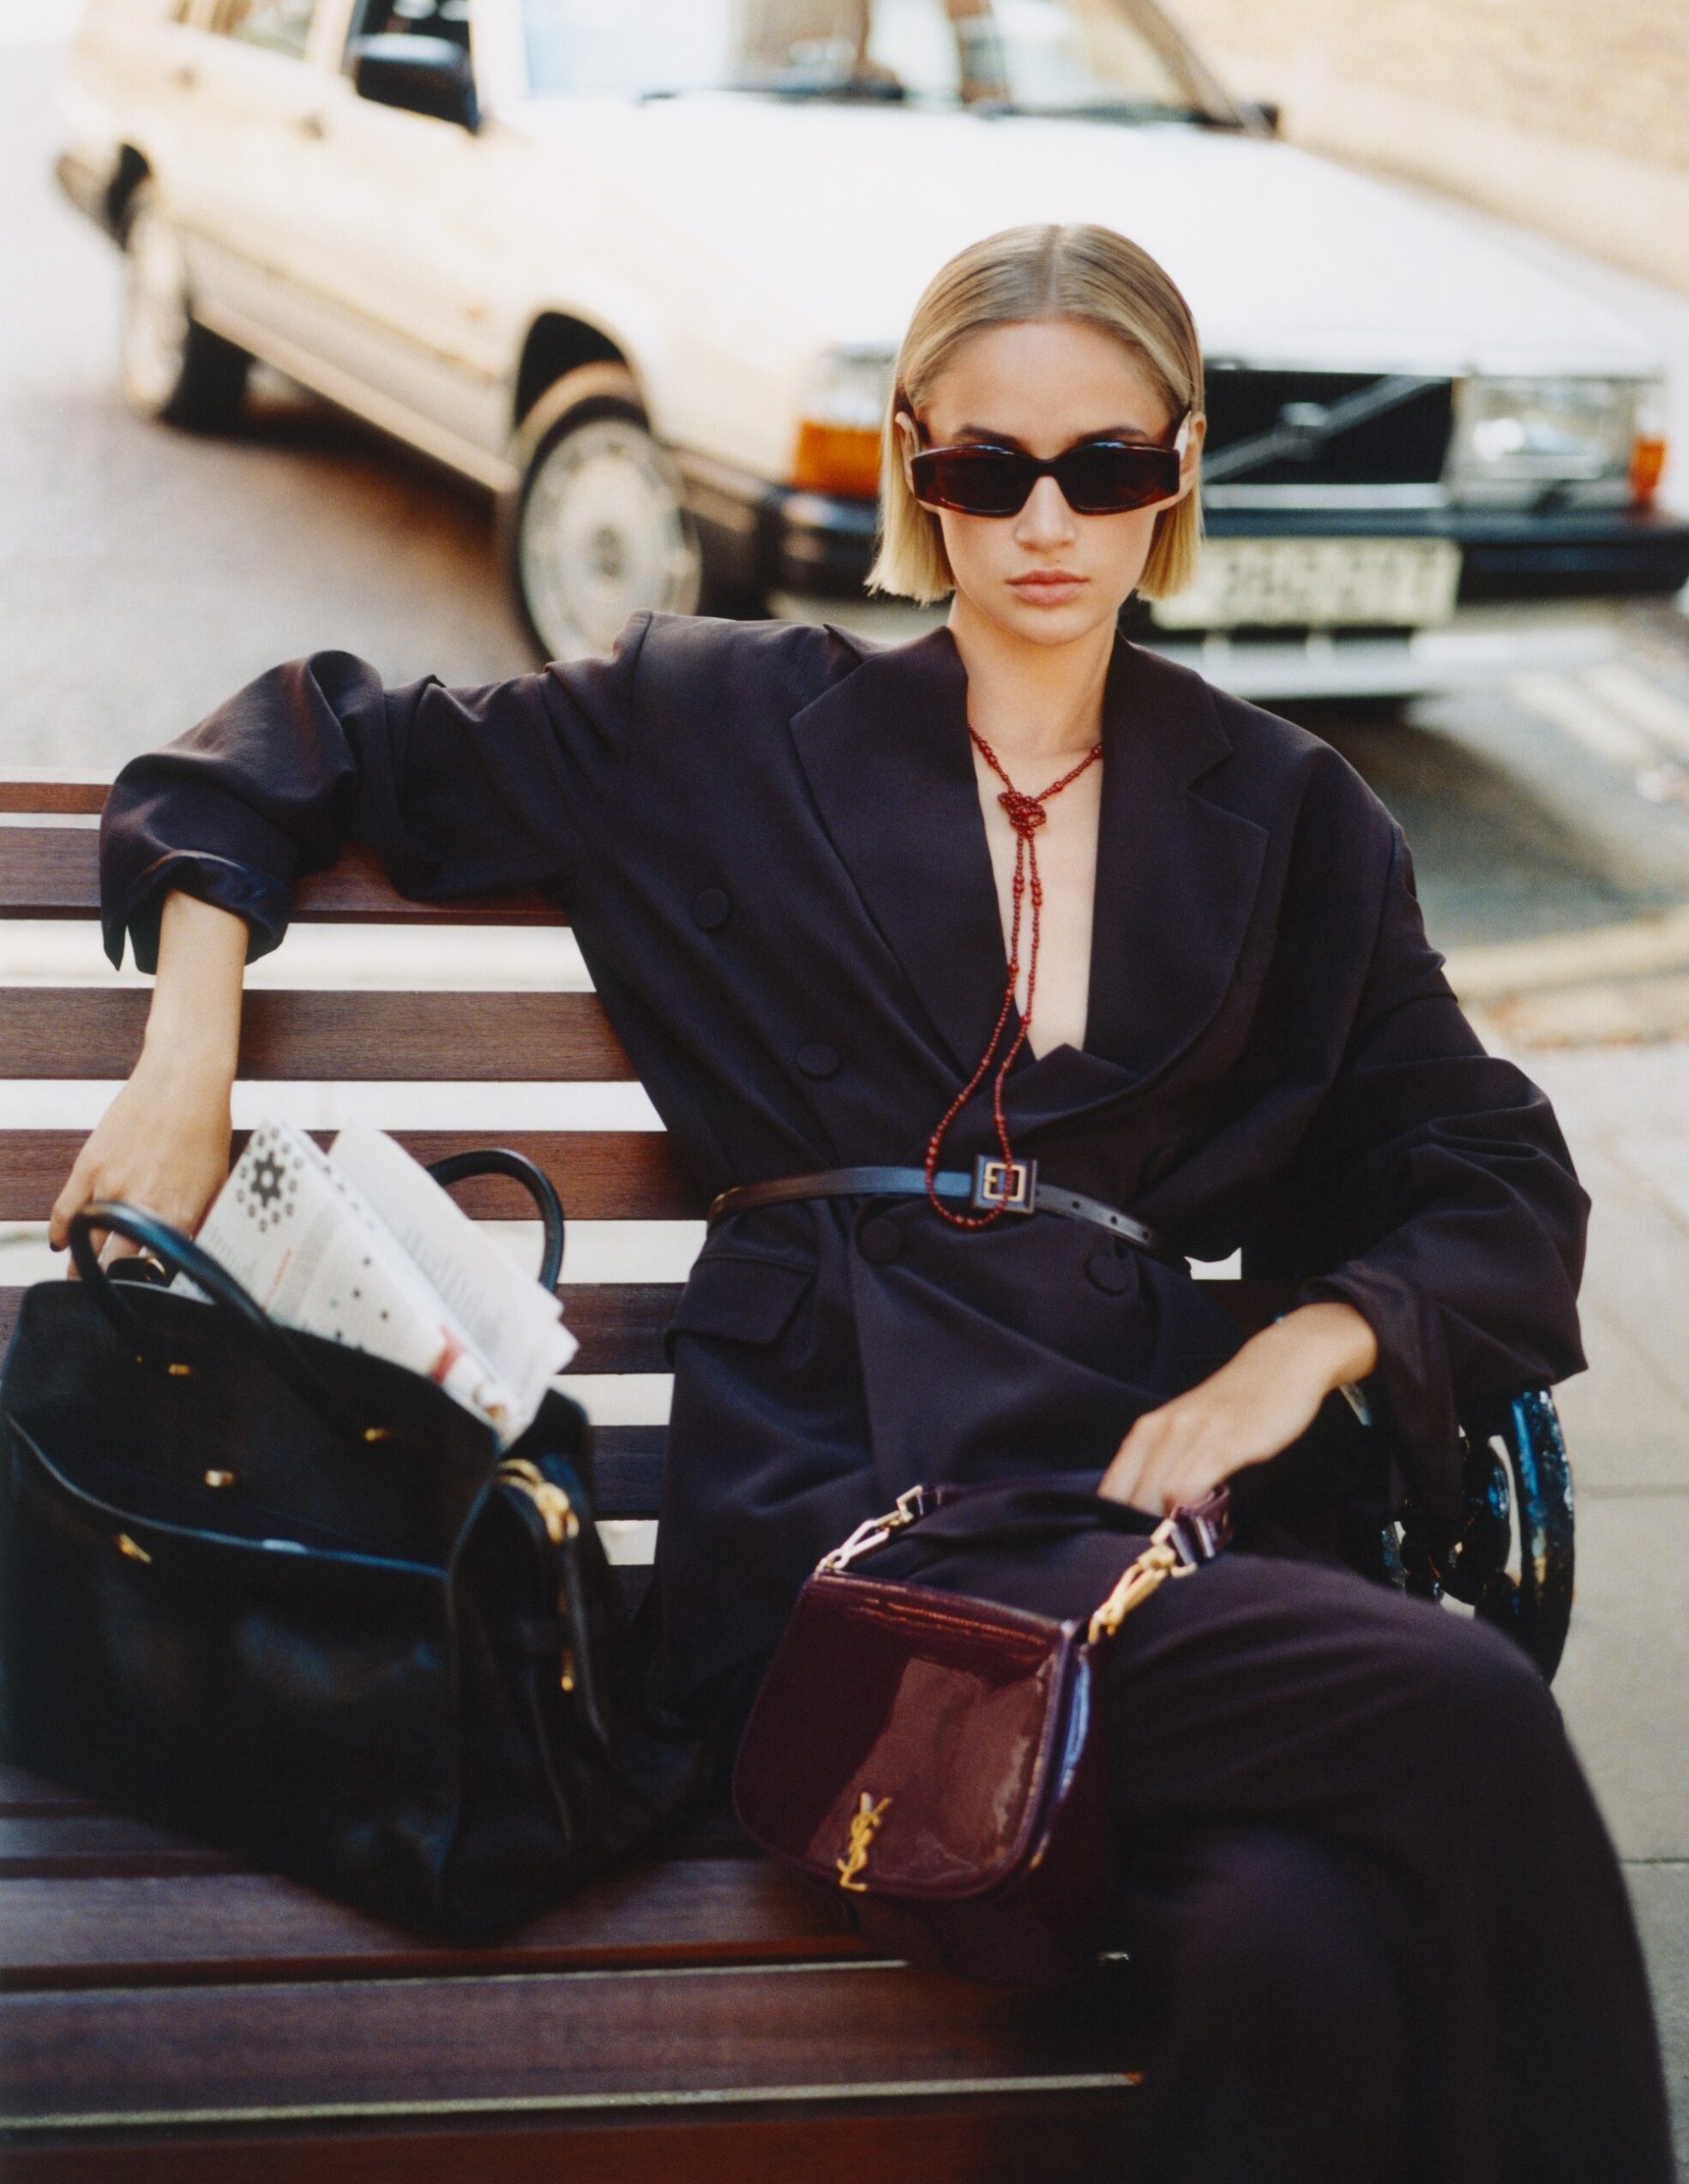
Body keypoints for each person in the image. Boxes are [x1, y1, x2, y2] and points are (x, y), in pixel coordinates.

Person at [63, 222, 1672, 2181]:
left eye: (1108, 465)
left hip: (1158, 1528)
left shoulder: (1289, 812)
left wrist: (1310, 1348)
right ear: (915, 464)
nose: (1045, 519)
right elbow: (289, 743)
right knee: (1458, 1703)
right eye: (987, 467)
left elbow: (1481, 1163)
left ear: (1179, 471)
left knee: (1298, 1947)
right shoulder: (715, 722)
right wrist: (184, 1062)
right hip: (847, 1541)